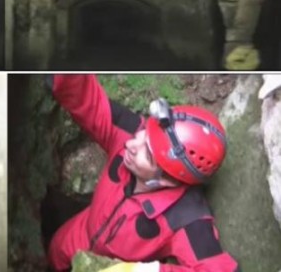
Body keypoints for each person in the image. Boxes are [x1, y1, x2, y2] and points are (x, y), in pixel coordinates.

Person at [47, 75, 239, 271]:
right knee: (54, 252)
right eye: (145, 132)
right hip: (79, 232)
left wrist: (144, 270)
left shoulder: (186, 217)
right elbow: (91, 103)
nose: (130, 144)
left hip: (110, 264)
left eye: (147, 154)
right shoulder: (130, 132)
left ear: (167, 181)